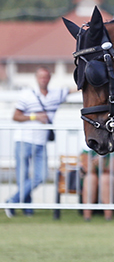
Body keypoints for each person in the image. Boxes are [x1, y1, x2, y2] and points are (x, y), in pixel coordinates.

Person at [7, 67, 67, 216]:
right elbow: (15, 116)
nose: (43, 80)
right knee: (22, 177)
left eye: (46, 77)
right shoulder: (27, 94)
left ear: (50, 78)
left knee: (41, 175)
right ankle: (27, 209)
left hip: (41, 142)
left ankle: (12, 201)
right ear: (36, 78)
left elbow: (74, 89)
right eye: (41, 77)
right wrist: (34, 117)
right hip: (24, 140)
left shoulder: (55, 95)